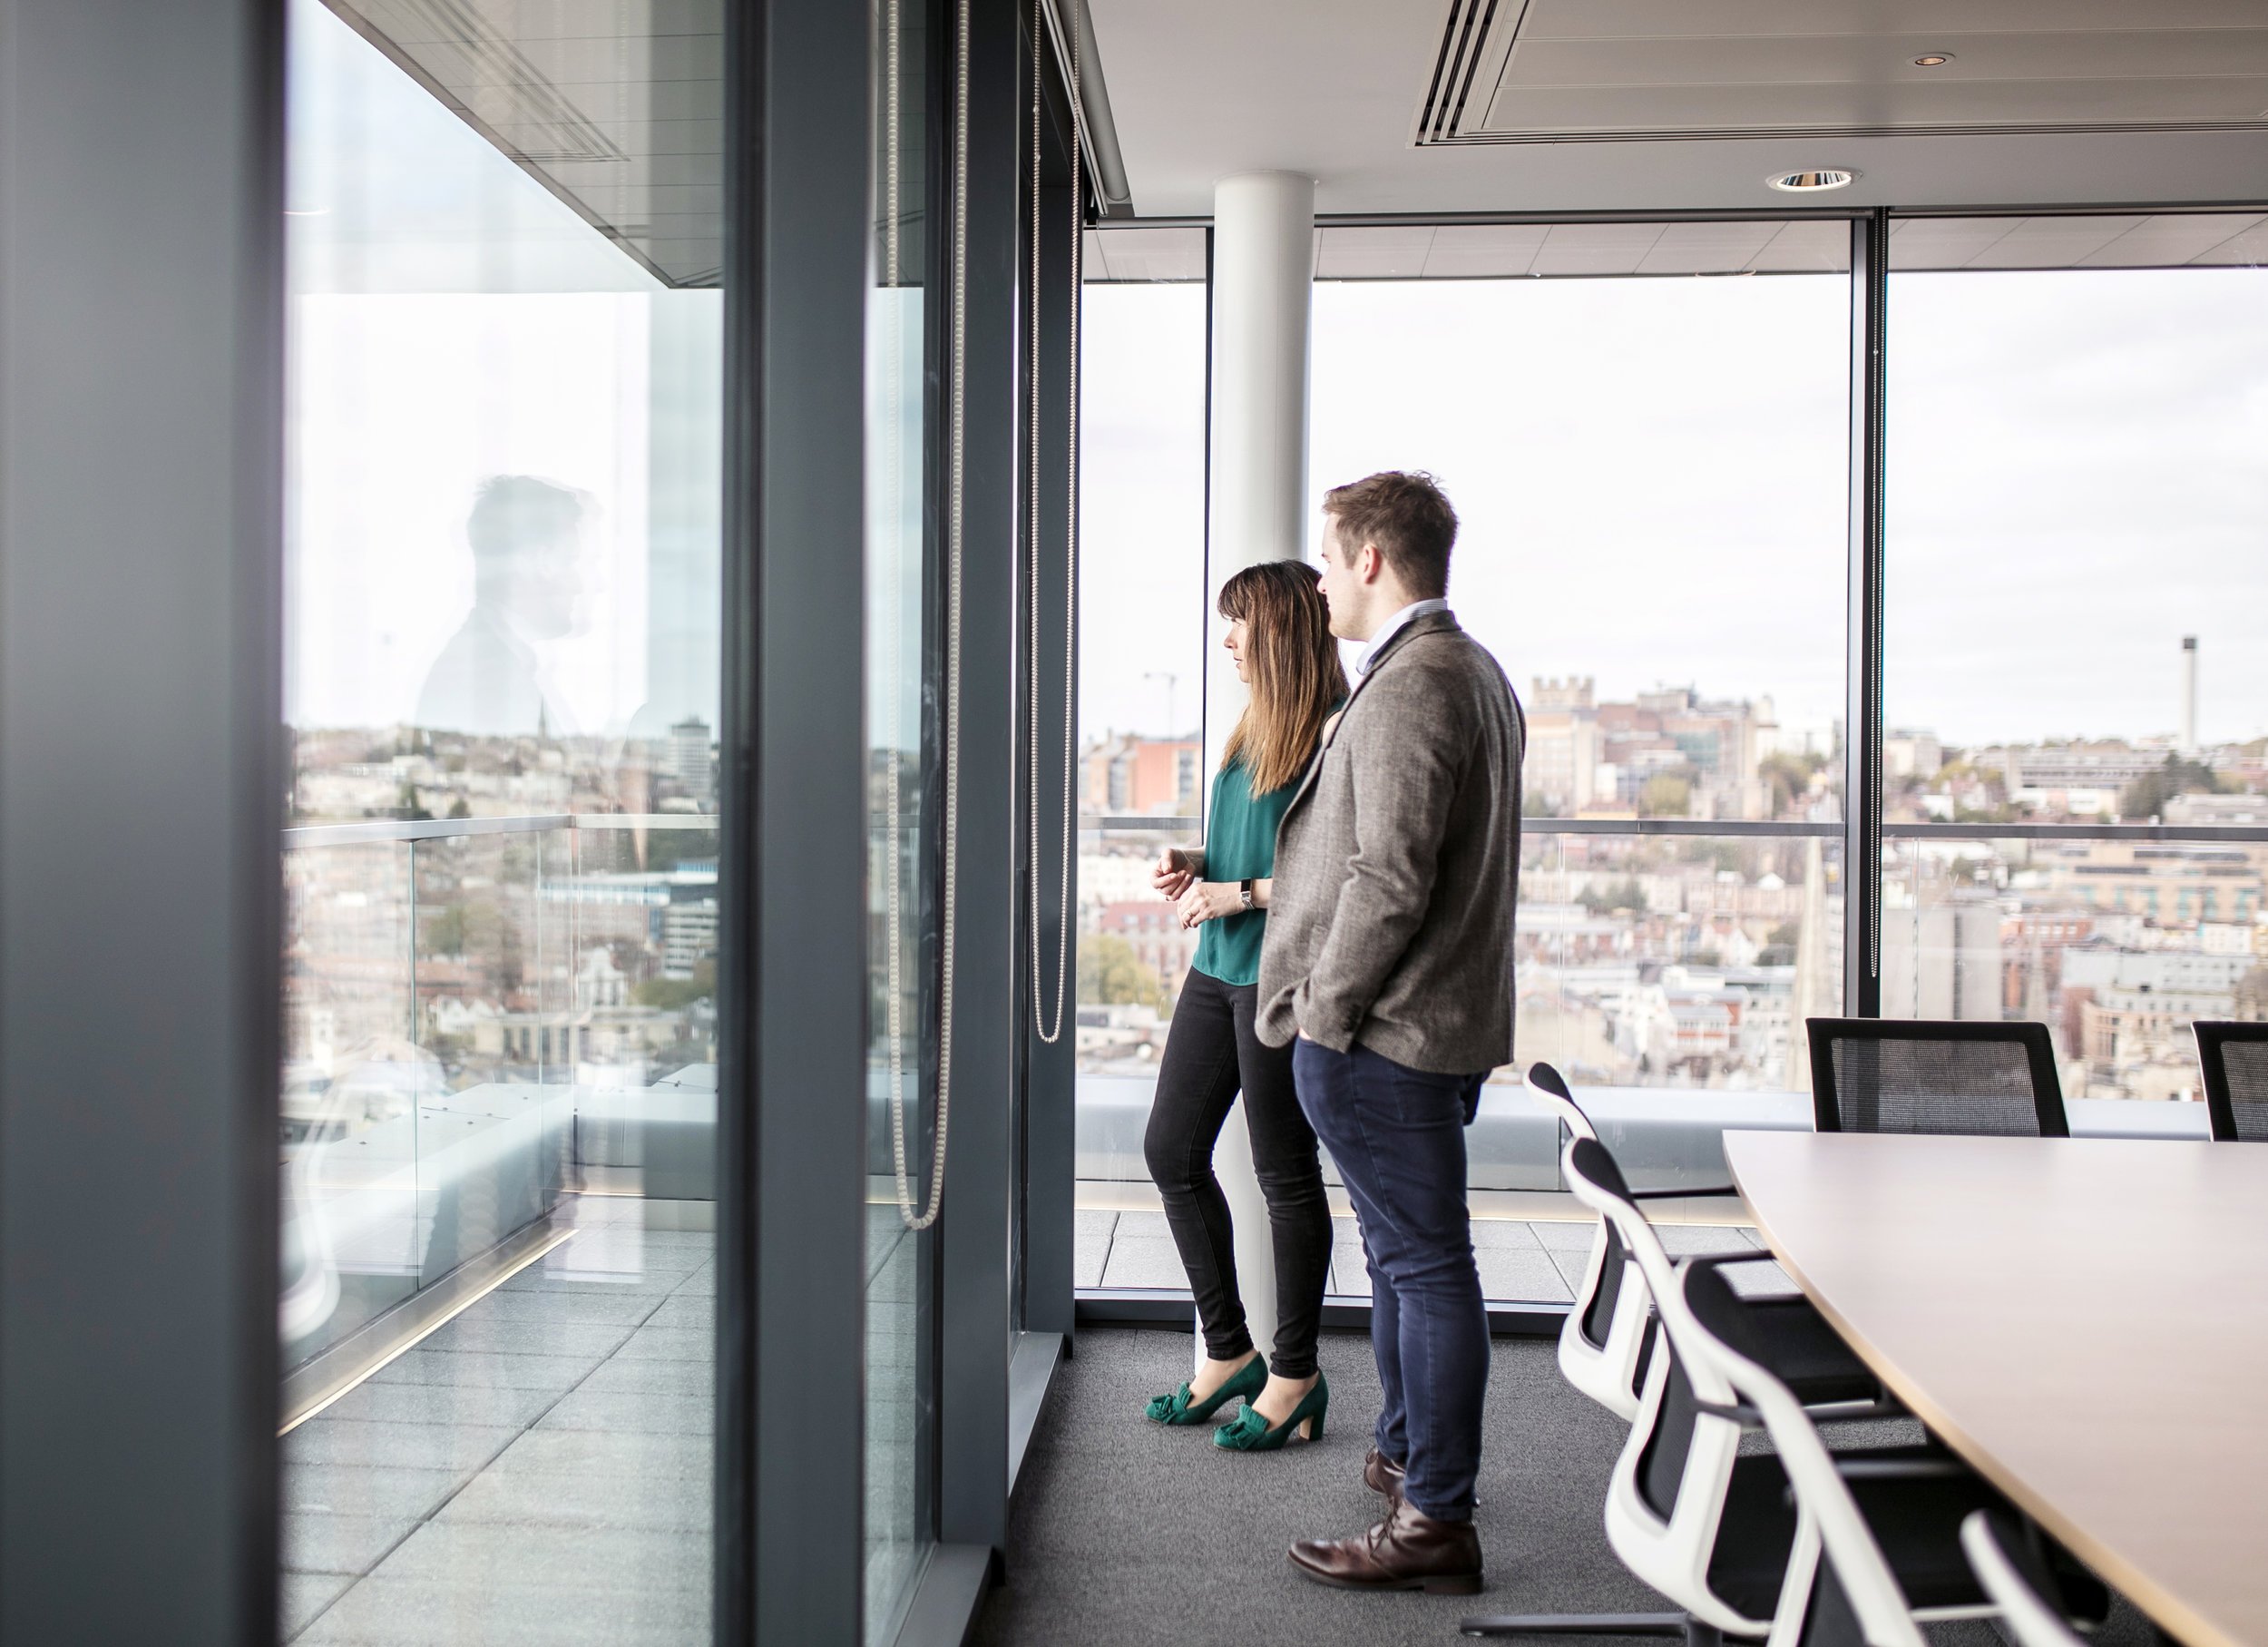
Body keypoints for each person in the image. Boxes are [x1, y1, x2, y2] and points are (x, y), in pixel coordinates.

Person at [1256, 471, 1523, 1593]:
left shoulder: (1418, 681)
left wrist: (1325, 1016)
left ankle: (1436, 1522)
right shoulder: (1473, 672)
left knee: (1424, 1263)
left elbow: (1389, 878)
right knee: (1406, 1262)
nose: (1318, 580)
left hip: (1386, 1034)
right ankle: (1413, 1459)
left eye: (1328, 556)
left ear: (1371, 560)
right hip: (1423, 1026)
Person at [1140, 560, 1347, 1452]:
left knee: (1282, 1174)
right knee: (1171, 1151)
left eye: (1238, 624)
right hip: (1216, 963)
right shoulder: (1252, 723)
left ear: (1280, 631)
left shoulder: (1331, 733)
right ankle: (1229, 1352)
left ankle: (1295, 1372)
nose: (1226, 640)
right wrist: (1197, 859)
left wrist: (1243, 893)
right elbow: (1246, 837)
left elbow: (1343, 872)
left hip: (1279, 975)